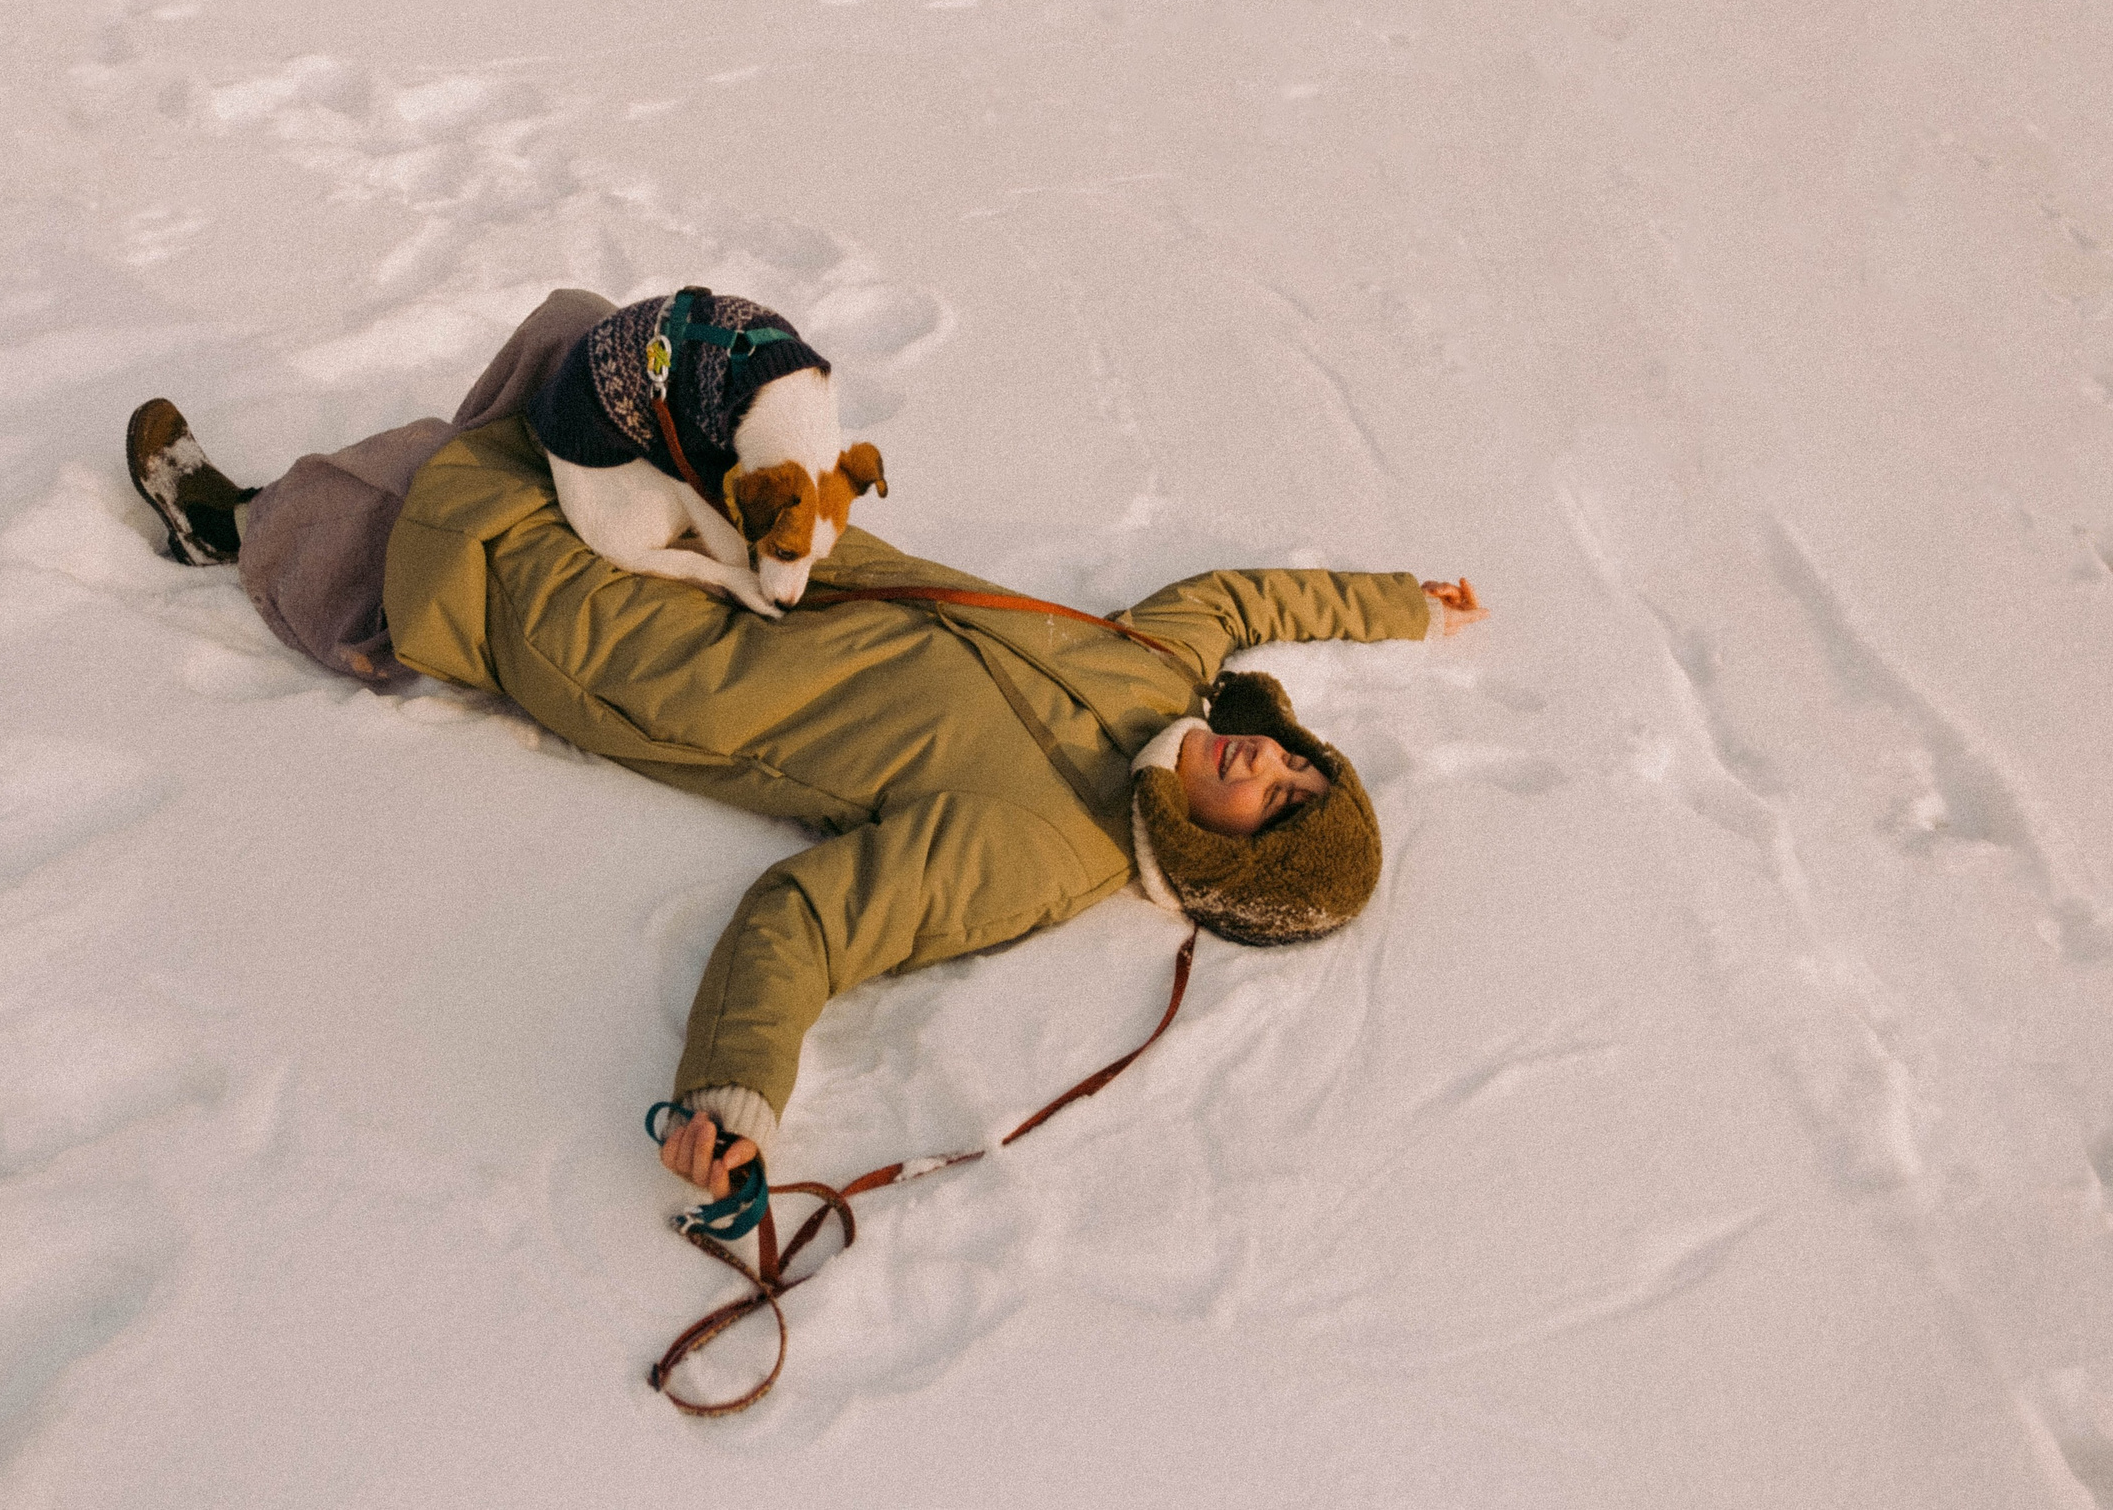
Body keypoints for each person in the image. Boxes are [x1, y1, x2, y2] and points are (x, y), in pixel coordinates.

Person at [127, 289, 1487, 1201]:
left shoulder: (1037, 855)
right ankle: (403, 486)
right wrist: (1401, 607)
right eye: (1301, 767)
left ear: (1228, 871)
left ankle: (242, 531)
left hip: (647, 651)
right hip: (747, 554)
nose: (1268, 770)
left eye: (1278, 809)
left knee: (442, 525)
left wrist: (735, 1100)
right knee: (601, 355)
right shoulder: (1160, 673)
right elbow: (1237, 600)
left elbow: (810, 923)